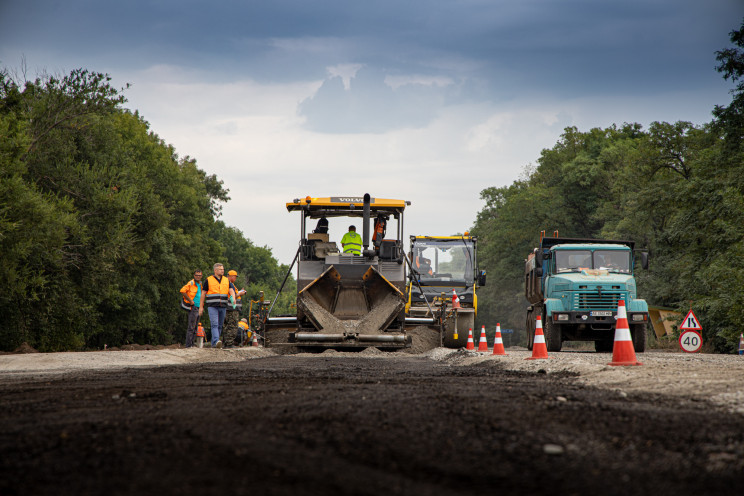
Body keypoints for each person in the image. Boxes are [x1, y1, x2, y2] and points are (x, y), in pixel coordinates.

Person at [199, 263, 234, 348]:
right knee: (214, 324)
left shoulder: (226, 280)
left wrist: (233, 298)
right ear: (215, 270)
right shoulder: (209, 280)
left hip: (223, 306)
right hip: (212, 306)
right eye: (220, 269)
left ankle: (214, 344)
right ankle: (216, 341)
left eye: (223, 269)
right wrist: (201, 306)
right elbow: (203, 294)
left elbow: (231, 290)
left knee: (220, 325)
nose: (222, 271)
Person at [179, 270, 203, 348]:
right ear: (194, 275)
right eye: (196, 275)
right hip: (193, 307)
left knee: (195, 326)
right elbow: (182, 291)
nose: (198, 277)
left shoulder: (200, 284)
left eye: (199, 275)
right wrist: (190, 301)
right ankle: (188, 345)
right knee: (191, 326)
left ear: (201, 276)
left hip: (198, 307)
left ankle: (192, 344)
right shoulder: (191, 283)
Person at [223, 269, 246, 348]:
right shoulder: (228, 284)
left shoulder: (230, 284)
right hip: (231, 309)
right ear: (231, 276)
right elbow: (232, 296)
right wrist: (240, 293)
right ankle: (229, 343)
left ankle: (226, 343)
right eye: (235, 277)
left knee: (228, 326)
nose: (236, 278)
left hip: (231, 308)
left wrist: (239, 292)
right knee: (232, 326)